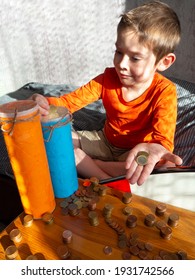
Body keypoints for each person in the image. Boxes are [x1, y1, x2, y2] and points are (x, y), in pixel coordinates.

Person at [31, 0, 183, 186]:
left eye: (135, 58)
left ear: (164, 62)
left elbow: (162, 142)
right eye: (119, 52)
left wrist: (155, 148)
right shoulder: (107, 79)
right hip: (104, 141)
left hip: (138, 151)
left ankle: (90, 167)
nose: (122, 64)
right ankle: (104, 176)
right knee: (56, 139)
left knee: (162, 165)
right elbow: (68, 103)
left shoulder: (165, 92)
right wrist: (43, 102)